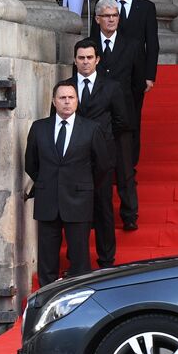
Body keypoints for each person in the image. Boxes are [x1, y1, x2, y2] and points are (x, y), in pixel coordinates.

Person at [24, 81, 114, 287]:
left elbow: (102, 166)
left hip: (79, 200)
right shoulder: (39, 128)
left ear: (77, 101)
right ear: (54, 101)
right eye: (62, 98)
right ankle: (47, 299)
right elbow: (31, 163)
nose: (67, 102)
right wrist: (47, 182)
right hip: (48, 201)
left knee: (80, 259)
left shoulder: (91, 129)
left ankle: (78, 300)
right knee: (46, 259)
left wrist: (83, 185)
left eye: (71, 98)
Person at [63, 38, 135, 267]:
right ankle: (77, 259)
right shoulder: (66, 88)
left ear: (97, 59)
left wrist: (100, 140)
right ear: (75, 60)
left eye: (89, 58)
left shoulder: (111, 87)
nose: (85, 62)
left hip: (102, 158)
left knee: (103, 207)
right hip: (73, 158)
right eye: (81, 58)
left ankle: (106, 259)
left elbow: (122, 121)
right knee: (75, 209)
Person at [90, 0, 143, 230]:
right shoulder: (89, 47)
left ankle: (130, 215)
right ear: (97, 19)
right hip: (96, 117)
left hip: (123, 116)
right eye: (107, 16)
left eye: (114, 16)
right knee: (96, 168)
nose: (111, 19)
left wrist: (130, 113)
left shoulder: (131, 44)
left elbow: (138, 82)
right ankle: (95, 215)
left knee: (124, 168)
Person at [108, 0, 158, 168]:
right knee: (110, 118)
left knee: (133, 117)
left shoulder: (146, 7)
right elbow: (96, 38)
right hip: (110, 70)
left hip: (136, 73)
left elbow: (152, 42)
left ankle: (129, 165)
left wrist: (150, 75)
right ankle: (110, 163)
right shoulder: (105, 4)